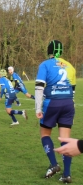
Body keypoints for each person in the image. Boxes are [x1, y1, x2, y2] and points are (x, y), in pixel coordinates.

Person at [35, 40, 74, 183]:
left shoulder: (45, 64)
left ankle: (54, 164)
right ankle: (67, 174)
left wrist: (38, 108)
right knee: (65, 139)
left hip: (52, 103)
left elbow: (39, 87)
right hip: (68, 103)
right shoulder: (70, 66)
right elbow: (73, 89)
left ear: (48, 50)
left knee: (45, 134)